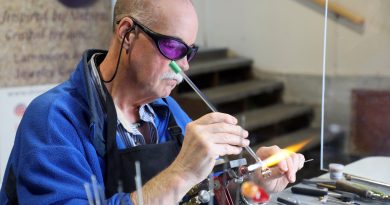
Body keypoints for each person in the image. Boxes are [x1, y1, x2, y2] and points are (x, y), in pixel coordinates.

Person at [0, 0, 305, 204]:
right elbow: (181, 180)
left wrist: (251, 183)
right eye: (173, 48)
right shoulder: (54, 119)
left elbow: (199, 193)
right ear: (127, 35)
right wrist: (181, 173)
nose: (183, 66)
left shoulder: (165, 111)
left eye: (190, 53)